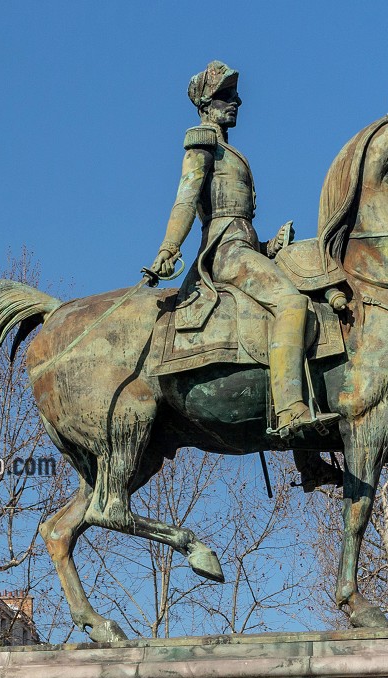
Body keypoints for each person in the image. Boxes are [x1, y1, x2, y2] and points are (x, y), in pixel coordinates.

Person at [149, 61, 339, 441]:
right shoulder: (201, 141)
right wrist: (170, 247)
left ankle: (309, 457)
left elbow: (236, 218)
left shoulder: (229, 151)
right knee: (290, 303)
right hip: (224, 252)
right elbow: (186, 201)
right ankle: (288, 409)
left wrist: (268, 246)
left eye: (234, 94)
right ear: (205, 104)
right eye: (224, 95)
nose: (235, 101)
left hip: (243, 245)